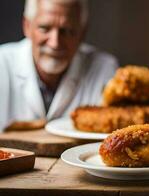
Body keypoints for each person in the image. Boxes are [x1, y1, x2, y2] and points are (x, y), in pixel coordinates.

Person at [0, 0, 118, 132]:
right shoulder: (2, 64)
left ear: (82, 33)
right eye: (44, 28)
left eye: (67, 31)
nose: (55, 43)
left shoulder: (104, 68)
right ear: (27, 26)